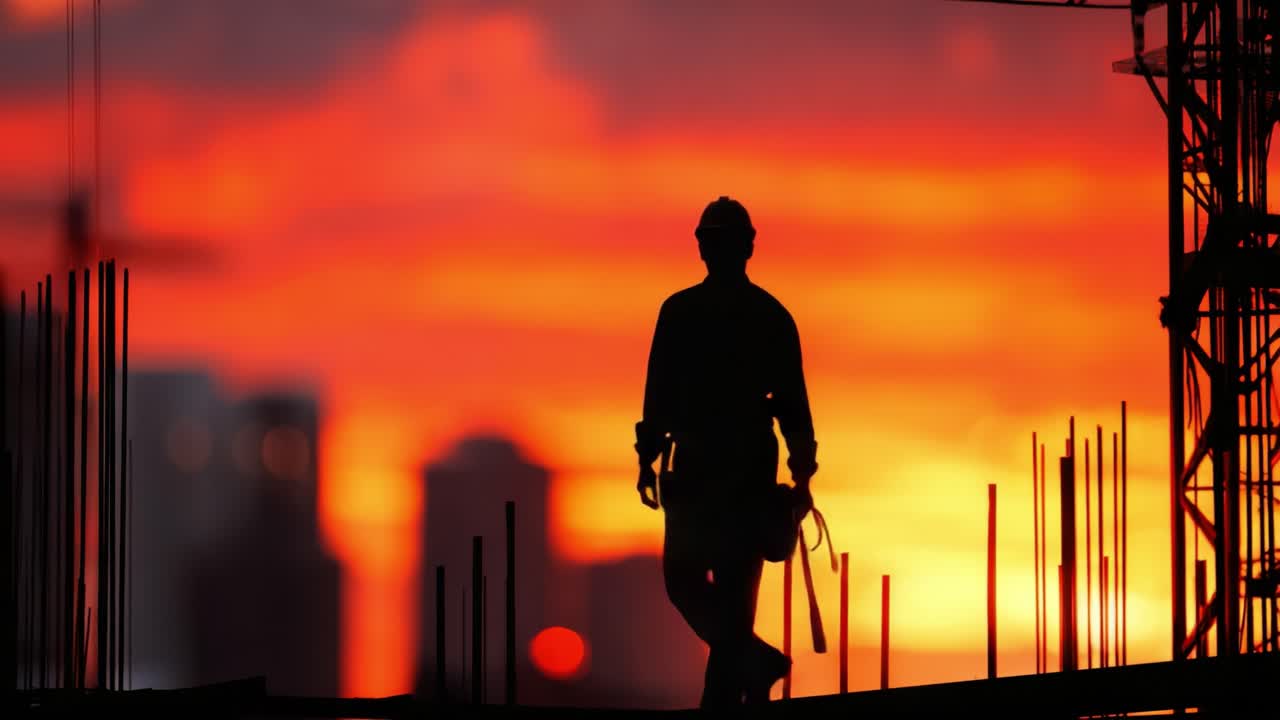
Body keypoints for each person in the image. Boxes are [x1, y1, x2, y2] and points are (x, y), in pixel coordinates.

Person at [633, 196, 818, 708]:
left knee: (699, 589)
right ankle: (754, 665)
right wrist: (801, 471)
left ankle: (729, 696)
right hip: (728, 474)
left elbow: (660, 395)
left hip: (710, 474)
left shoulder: (687, 312)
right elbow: (792, 406)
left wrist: (648, 459)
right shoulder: (766, 316)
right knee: (716, 597)